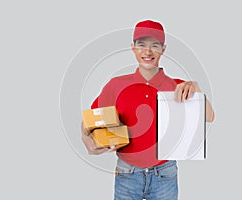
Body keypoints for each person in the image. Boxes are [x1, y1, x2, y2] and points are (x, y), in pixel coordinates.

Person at [81, 19, 214, 200]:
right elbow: (90, 120)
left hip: (164, 174)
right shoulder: (117, 85)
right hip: (127, 173)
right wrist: (86, 138)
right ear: (133, 47)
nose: (148, 51)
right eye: (141, 45)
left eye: (155, 46)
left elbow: (210, 116)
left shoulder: (177, 87)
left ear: (163, 49)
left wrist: (196, 88)